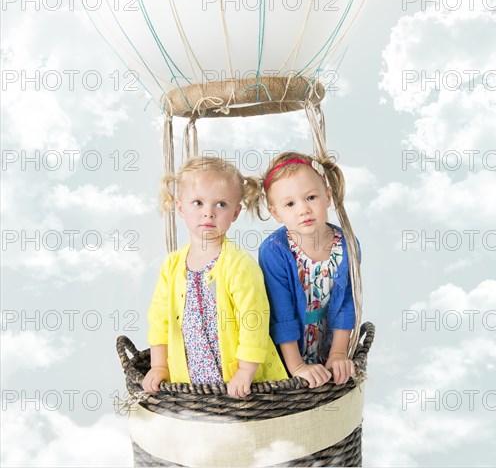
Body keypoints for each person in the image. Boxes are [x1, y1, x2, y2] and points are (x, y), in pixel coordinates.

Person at [142, 156, 287, 398]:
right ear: (180, 208)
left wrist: (245, 370)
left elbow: (254, 320)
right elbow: (159, 321)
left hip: (238, 380)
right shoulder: (172, 265)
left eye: (220, 204)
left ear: (235, 213)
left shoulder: (239, 264)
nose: (208, 213)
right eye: (197, 203)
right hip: (189, 379)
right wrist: (159, 365)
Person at [249, 152, 358, 389]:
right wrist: (296, 367)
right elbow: (281, 313)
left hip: (326, 345)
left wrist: (338, 353)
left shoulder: (347, 244)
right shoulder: (275, 251)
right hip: (288, 352)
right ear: (276, 212)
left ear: (328, 196)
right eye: (290, 204)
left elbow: (347, 302)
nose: (303, 209)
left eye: (311, 197)